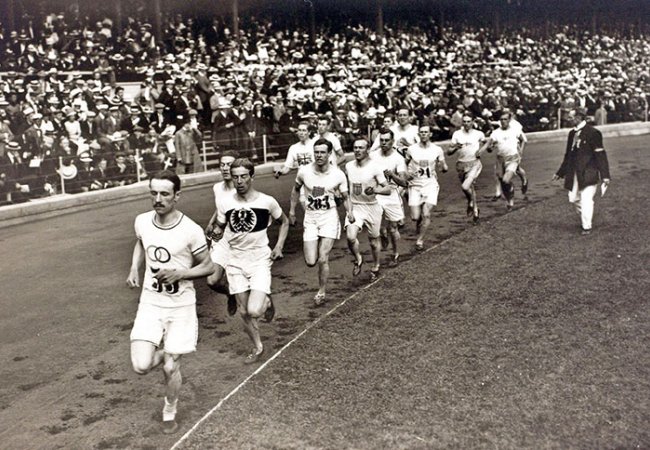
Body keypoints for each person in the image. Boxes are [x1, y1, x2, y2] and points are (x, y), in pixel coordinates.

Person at [126, 170, 213, 435]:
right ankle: (170, 351)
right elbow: (141, 242)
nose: (158, 199)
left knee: (170, 366)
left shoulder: (190, 230)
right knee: (141, 365)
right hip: (151, 303)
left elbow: (209, 267)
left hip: (181, 306)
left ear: (177, 196)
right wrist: (134, 268)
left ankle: (169, 409)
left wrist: (181, 273)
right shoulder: (142, 221)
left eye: (165, 193)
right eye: (154, 193)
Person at [211, 158, 289, 363]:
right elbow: (221, 225)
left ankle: (267, 300)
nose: (239, 181)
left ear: (252, 177)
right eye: (235, 177)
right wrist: (215, 234)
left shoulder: (266, 201)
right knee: (244, 312)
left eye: (243, 176)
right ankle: (257, 347)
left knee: (255, 310)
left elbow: (285, 222)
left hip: (259, 259)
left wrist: (279, 245)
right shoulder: (225, 202)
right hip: (235, 260)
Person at [289, 138, 352, 305]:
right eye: (316, 152)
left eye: (322, 152)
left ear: (329, 154)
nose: (319, 155)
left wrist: (350, 212)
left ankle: (321, 292)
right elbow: (295, 190)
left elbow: (346, 197)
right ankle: (317, 265)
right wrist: (292, 211)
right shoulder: (304, 171)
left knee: (323, 257)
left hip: (329, 217)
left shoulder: (338, 174)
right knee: (311, 261)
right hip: (310, 218)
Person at [552, 108, 610, 235]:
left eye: (571, 117)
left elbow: (600, 154)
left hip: (589, 171)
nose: (568, 119)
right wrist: (560, 172)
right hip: (574, 173)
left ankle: (586, 226)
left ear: (579, 117)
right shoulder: (572, 133)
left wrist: (605, 175)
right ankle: (586, 214)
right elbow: (568, 155)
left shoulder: (593, 133)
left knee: (586, 199)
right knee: (573, 199)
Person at [344, 137, 391, 280]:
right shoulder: (349, 166)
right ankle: (358, 259)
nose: (357, 150)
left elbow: (387, 189)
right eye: (355, 147)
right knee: (351, 237)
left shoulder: (374, 167)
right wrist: (349, 209)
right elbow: (345, 188)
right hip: (356, 206)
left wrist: (376, 190)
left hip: (372, 207)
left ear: (368, 150)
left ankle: (376, 265)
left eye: (361, 148)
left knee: (373, 241)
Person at [204, 151, 238, 315]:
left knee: (248, 283)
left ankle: (265, 299)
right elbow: (220, 208)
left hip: (240, 240)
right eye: (222, 165)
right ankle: (230, 293)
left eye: (229, 165)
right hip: (221, 240)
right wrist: (211, 223)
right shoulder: (217, 187)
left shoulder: (242, 190)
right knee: (212, 280)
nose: (225, 168)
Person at [405, 124, 448, 250]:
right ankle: (419, 221)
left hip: (430, 184)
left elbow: (443, 164)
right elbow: (405, 163)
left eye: (426, 132)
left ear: (430, 134)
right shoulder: (412, 149)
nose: (423, 134)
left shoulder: (437, 149)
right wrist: (407, 173)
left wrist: (443, 167)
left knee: (426, 214)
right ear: (418, 134)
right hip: (415, 185)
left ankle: (420, 240)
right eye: (421, 132)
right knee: (415, 217)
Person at [370, 128, 408, 266]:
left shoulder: (398, 159)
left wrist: (392, 175)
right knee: (376, 223)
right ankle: (382, 233)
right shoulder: (373, 156)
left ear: (392, 141)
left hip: (392, 194)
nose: (384, 143)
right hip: (378, 193)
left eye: (387, 140)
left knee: (393, 227)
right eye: (382, 140)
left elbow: (404, 182)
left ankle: (395, 253)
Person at [479, 111, 526, 211]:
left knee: (505, 180)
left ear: (509, 120)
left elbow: (522, 140)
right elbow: (489, 144)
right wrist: (483, 150)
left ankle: (511, 197)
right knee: (502, 180)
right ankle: (509, 199)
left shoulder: (514, 130)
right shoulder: (496, 133)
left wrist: (520, 151)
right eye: (501, 119)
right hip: (500, 160)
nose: (503, 121)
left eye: (505, 119)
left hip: (512, 158)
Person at [448, 115, 485, 224]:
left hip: (474, 163)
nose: (466, 124)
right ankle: (472, 204)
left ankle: (475, 212)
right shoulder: (457, 134)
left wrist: (482, 150)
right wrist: (455, 147)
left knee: (466, 186)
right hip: (461, 164)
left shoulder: (478, 134)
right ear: (462, 123)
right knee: (468, 188)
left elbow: (488, 146)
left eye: (469, 121)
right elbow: (449, 152)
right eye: (464, 121)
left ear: (473, 122)